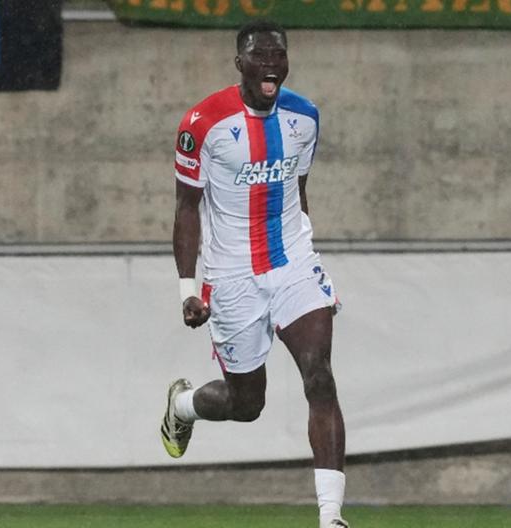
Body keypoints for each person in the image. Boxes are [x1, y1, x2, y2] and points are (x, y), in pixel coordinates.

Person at [160, 20, 349, 528]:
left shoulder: (304, 117)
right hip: (231, 276)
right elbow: (186, 208)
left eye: (278, 55)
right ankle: (183, 406)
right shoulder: (202, 124)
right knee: (247, 404)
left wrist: (306, 247)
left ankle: (330, 516)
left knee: (320, 376)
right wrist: (188, 289)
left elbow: (297, 189)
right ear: (239, 63)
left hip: (292, 264)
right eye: (259, 55)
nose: (270, 63)